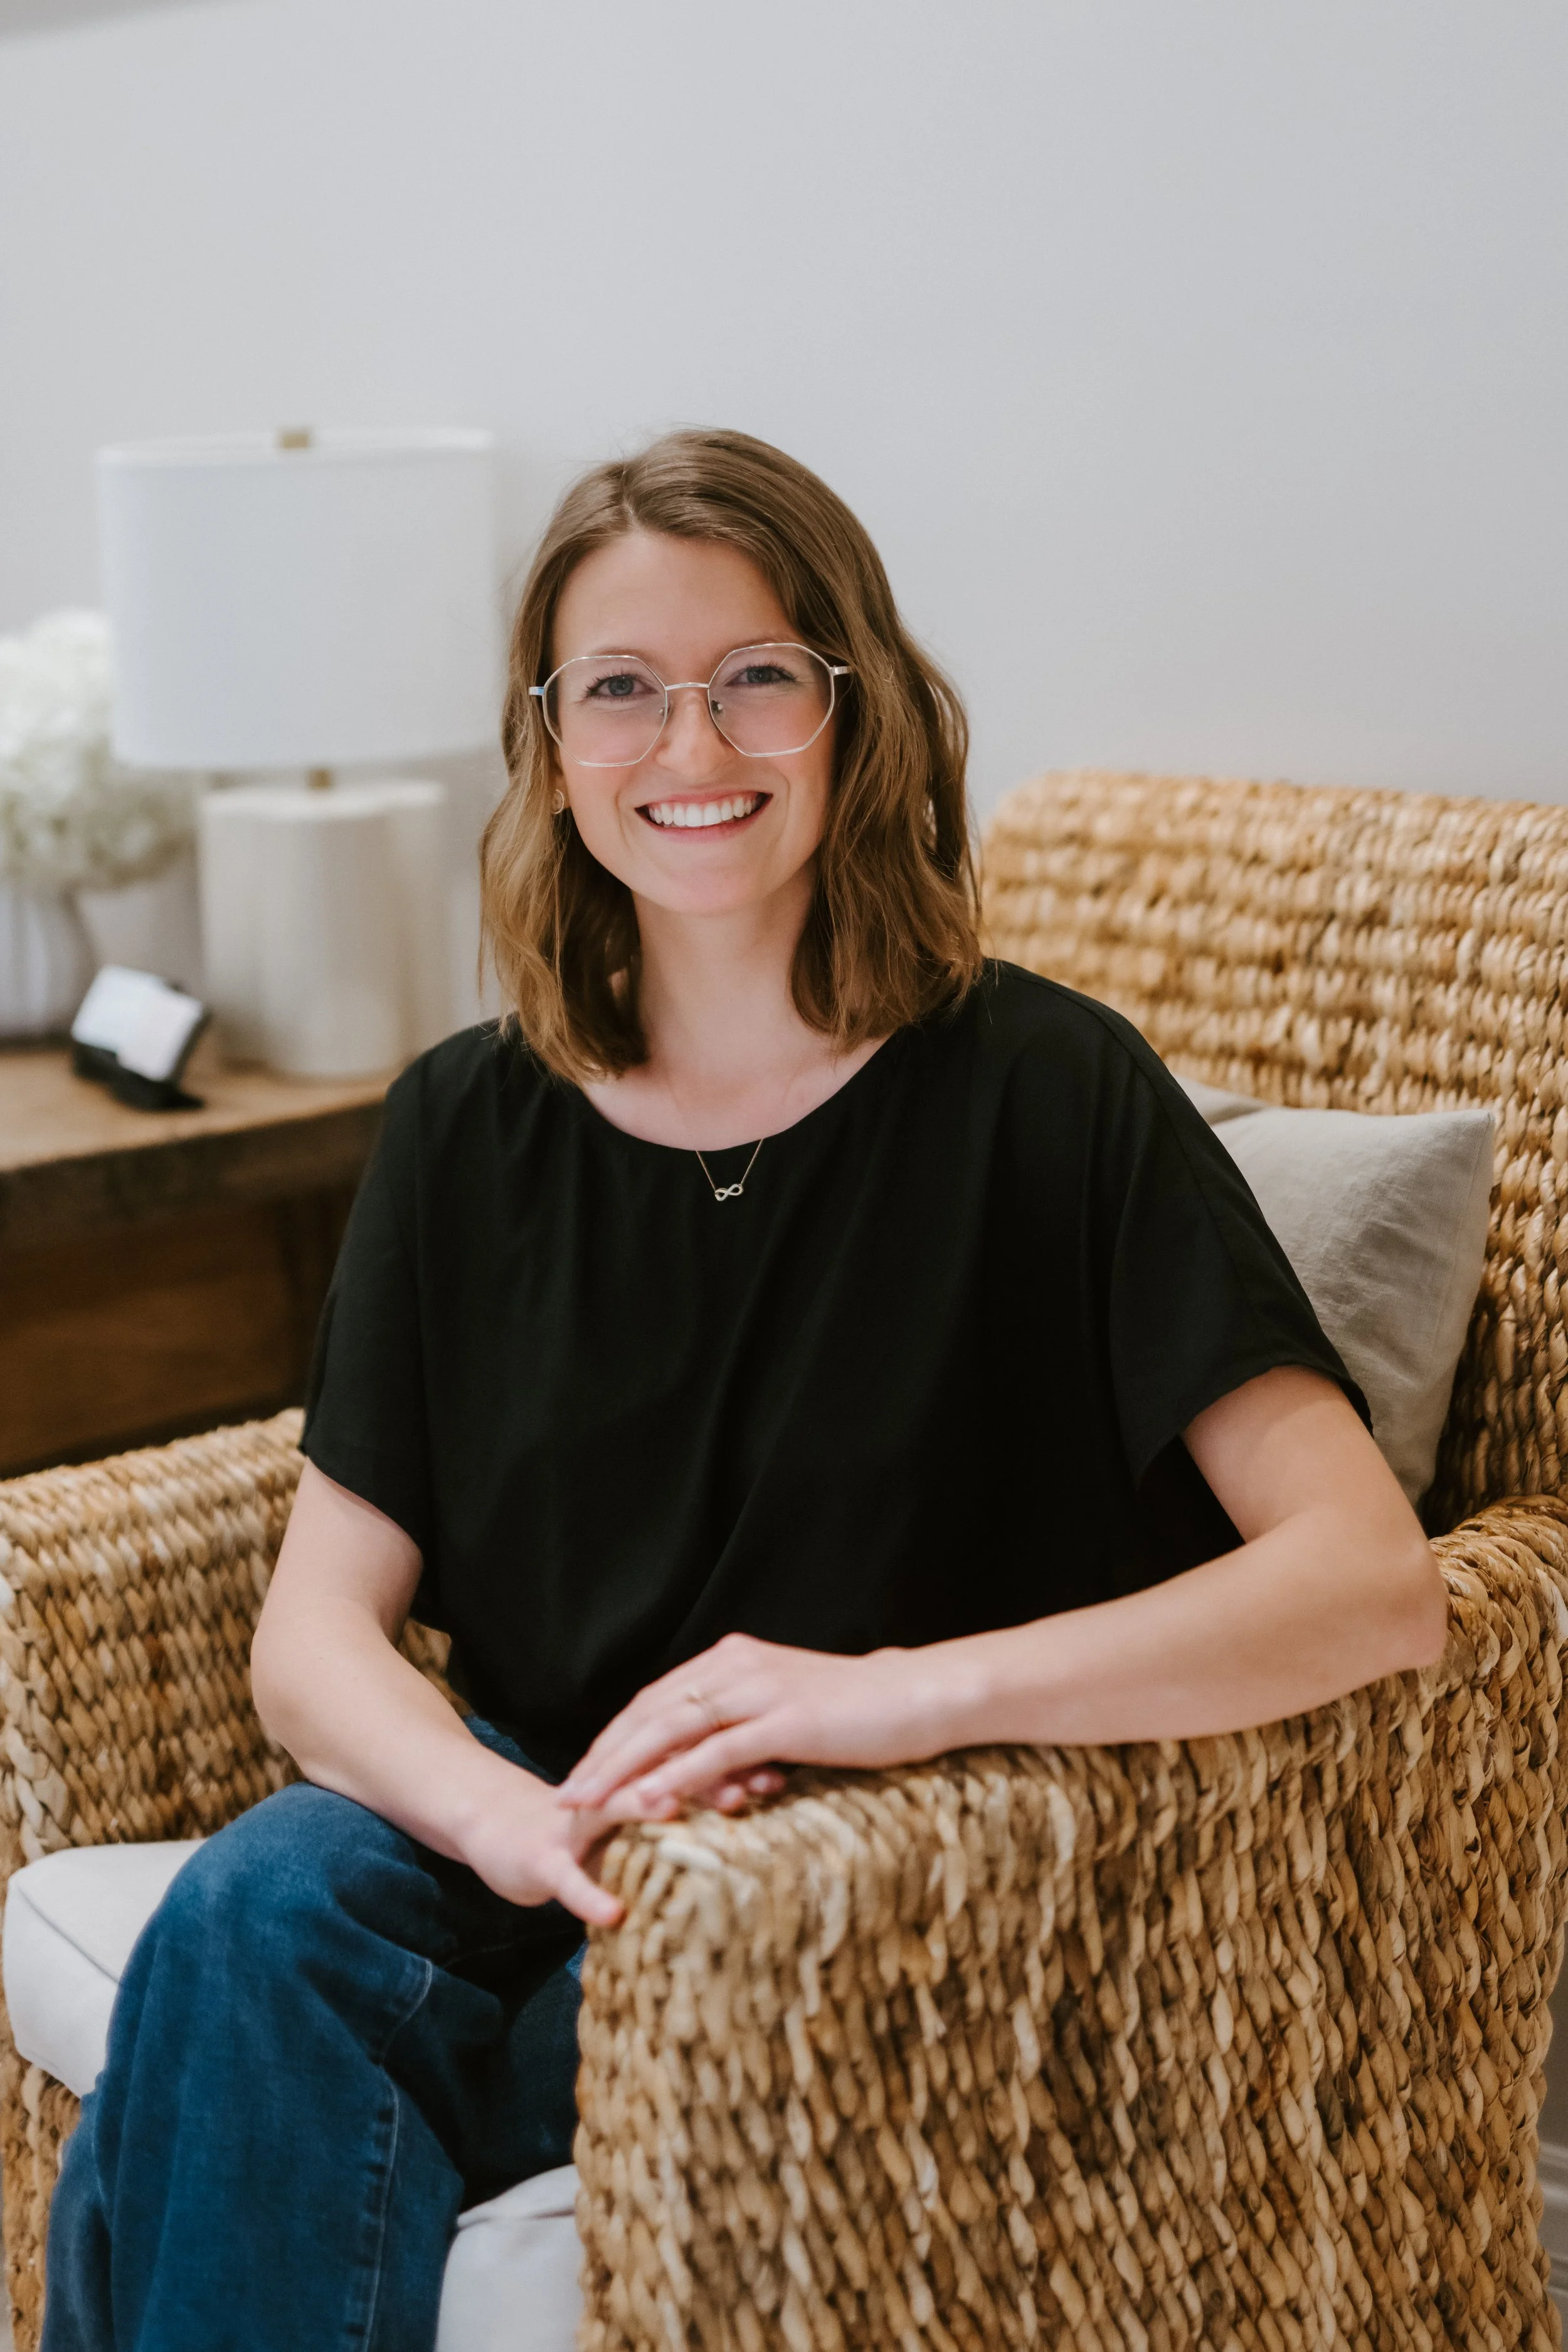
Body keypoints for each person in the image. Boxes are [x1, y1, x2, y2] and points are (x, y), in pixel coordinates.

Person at [41, 429, 1447, 2351]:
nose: (687, 747)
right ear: (548, 743)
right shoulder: (464, 1121)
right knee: (262, 1908)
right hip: (542, 1820)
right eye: (619, 688)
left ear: (854, 712)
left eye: (755, 677)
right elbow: (315, 1633)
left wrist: (884, 1698)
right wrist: (489, 1814)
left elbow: (1369, 1581)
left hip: (877, 1850)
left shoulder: (1047, 1093)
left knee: (196, 2047)